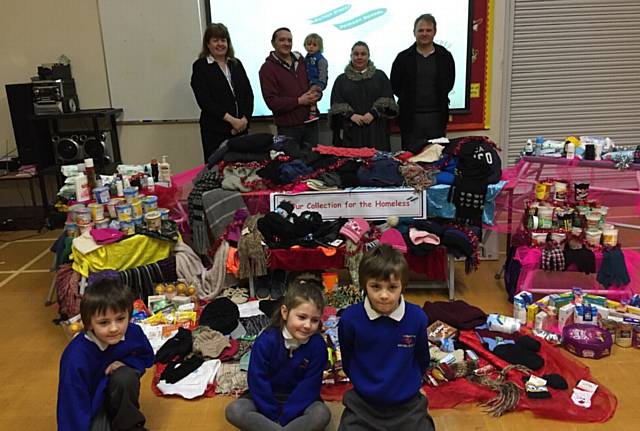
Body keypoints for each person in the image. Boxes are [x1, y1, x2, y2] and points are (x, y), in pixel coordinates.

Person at [338, 244, 435, 430]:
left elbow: (422, 359)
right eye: (375, 286)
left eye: (392, 287)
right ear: (364, 284)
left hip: (407, 404)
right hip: (362, 404)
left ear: (403, 286)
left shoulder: (417, 318)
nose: (384, 295)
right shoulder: (350, 319)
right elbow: (348, 361)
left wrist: (410, 386)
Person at [225, 278, 331, 430]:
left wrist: (287, 415)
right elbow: (257, 379)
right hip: (265, 397)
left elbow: (309, 386)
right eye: (301, 317)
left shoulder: (318, 346)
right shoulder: (266, 340)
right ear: (285, 312)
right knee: (235, 410)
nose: (307, 325)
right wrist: (272, 414)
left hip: (300, 401)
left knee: (321, 414)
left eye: (314, 320)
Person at [57, 278, 154, 431]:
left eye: (121, 319)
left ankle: (130, 426)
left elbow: (146, 357)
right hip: (91, 406)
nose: (114, 328)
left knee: (125, 376)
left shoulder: (132, 332)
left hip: (113, 392)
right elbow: (71, 403)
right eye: (104, 323)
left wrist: (128, 363)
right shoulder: (75, 358)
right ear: (88, 324)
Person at [391, 13, 455, 153]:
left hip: (437, 118)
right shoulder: (403, 58)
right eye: (420, 30)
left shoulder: (445, 57)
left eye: (428, 30)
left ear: (434, 32)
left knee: (436, 160)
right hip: (410, 119)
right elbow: (395, 85)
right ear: (414, 32)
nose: (424, 34)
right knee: (411, 161)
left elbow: (449, 84)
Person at [191, 23, 254, 163]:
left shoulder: (236, 64)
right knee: (217, 172)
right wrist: (232, 121)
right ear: (208, 44)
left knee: (242, 171)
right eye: (215, 40)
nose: (220, 44)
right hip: (215, 131)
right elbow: (205, 101)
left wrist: (244, 120)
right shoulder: (200, 66)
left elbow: (248, 94)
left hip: (241, 130)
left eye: (223, 40)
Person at [329, 41, 398, 151]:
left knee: (378, 165)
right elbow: (336, 105)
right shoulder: (341, 80)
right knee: (354, 165)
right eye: (356, 54)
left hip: (377, 132)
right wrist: (351, 116)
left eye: (363, 54)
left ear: (368, 56)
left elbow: (389, 101)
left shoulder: (380, 76)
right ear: (351, 56)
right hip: (352, 133)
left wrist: (373, 114)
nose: (359, 57)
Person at [259, 27, 320, 150]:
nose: (287, 43)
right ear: (273, 43)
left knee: (314, 166)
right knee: (291, 167)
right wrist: (299, 101)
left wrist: (317, 93)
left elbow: (315, 80)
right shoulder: (267, 69)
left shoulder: (303, 62)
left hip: (311, 125)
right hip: (288, 129)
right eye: (282, 40)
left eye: (289, 40)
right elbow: (272, 102)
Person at [303, 33, 328, 123]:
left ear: (319, 47)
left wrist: (319, 85)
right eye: (308, 44)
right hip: (307, 82)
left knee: (312, 98)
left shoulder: (320, 59)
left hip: (315, 83)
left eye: (314, 45)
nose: (311, 47)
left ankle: (313, 114)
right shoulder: (306, 58)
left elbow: (323, 73)